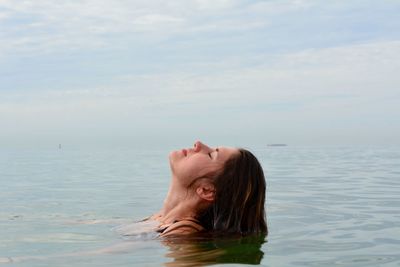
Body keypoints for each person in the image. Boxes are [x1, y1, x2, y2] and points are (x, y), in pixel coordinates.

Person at [149, 140, 268, 237]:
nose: (198, 144)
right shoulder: (160, 218)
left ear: (207, 190)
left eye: (210, 155)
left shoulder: (182, 233)